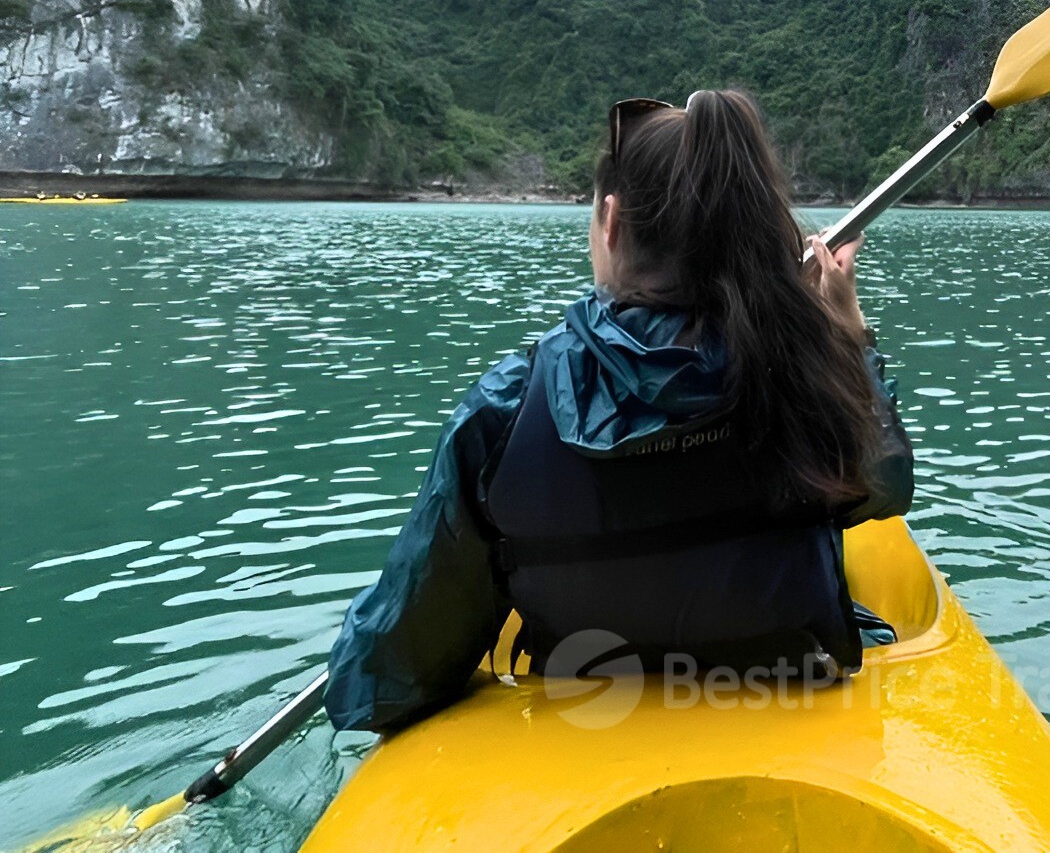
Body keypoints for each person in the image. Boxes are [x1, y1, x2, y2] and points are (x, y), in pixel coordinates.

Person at [324, 90, 914, 733]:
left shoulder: (508, 406)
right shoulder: (809, 377)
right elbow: (883, 490)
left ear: (610, 221)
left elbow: (379, 690)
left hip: (584, 716)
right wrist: (846, 338)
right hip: (789, 700)